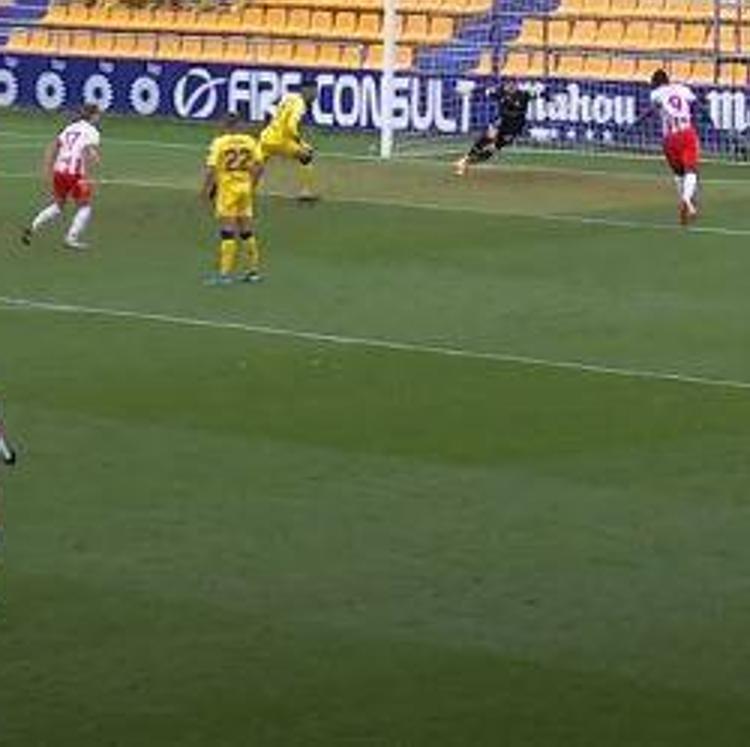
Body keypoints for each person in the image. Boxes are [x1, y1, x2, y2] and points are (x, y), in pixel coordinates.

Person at [22, 103, 102, 250]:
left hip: (59, 171)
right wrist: (94, 160)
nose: (99, 117)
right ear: (93, 116)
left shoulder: (70, 128)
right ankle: (71, 238)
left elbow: (54, 146)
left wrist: (47, 168)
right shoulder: (92, 131)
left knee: (58, 205)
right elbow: (88, 151)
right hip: (75, 175)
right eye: (98, 114)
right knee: (85, 207)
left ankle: (33, 226)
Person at [202, 113, 265, 285]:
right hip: (244, 189)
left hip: (228, 190)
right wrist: (252, 184)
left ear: (226, 125)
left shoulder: (220, 143)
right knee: (246, 230)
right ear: (239, 125)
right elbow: (259, 165)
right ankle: (253, 271)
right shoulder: (250, 141)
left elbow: (212, 168)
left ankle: (224, 274)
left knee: (227, 231)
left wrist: (206, 190)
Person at [644, 69, 701, 225]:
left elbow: (652, 109)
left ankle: (686, 202)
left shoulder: (655, 94)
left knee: (678, 173)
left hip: (669, 140)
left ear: (656, 83)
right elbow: (697, 105)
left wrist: (641, 119)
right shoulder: (683, 89)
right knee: (691, 170)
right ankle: (687, 199)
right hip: (686, 133)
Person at [454, 79, 533, 176]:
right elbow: (486, 91)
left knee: (493, 148)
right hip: (502, 121)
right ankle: (465, 158)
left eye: (513, 84)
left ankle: (468, 163)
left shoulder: (523, 95)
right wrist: (471, 89)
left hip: (514, 126)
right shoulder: (500, 91)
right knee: (488, 136)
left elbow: (537, 96)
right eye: (508, 84)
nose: (510, 86)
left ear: (516, 85)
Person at [259, 82, 318, 201]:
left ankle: (242, 185)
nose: (315, 96)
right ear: (305, 91)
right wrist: (300, 142)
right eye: (313, 92)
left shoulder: (289, 97)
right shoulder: (300, 105)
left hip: (266, 137)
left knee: (257, 164)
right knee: (307, 157)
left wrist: (267, 125)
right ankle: (305, 192)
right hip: (281, 141)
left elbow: (270, 109)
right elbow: (291, 127)